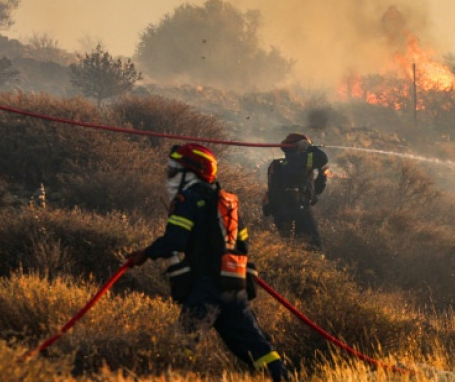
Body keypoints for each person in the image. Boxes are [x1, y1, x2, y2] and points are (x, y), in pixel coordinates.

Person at [127, 143, 288, 382]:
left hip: (207, 287)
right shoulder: (227, 202)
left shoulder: (188, 198)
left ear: (190, 172)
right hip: (235, 287)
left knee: (182, 342)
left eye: (174, 171)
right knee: (257, 348)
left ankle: (177, 376)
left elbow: (175, 240)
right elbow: (243, 245)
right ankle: (282, 377)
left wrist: (144, 253)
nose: (169, 176)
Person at [262, 133, 330, 251]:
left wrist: (322, 176)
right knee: (313, 247)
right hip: (298, 209)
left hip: (282, 212)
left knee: (289, 248)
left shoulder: (285, 165)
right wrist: (310, 148)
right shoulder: (299, 160)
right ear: (300, 145)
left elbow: (313, 192)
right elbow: (322, 158)